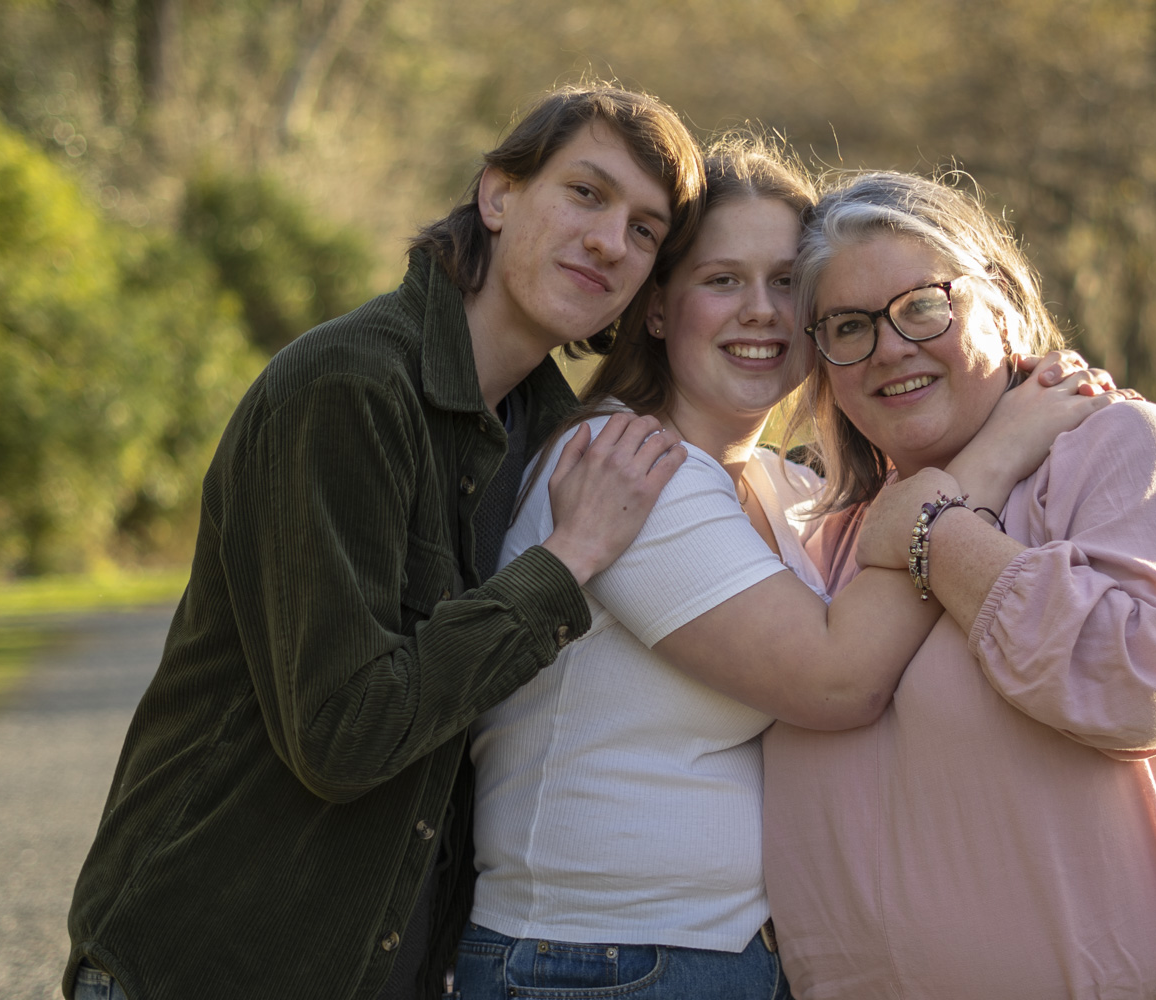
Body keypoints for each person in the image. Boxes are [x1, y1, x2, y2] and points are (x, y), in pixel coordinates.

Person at [64, 85, 704, 1000]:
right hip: (206, 963)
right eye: (587, 194)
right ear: (497, 195)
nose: (612, 240)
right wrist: (565, 562)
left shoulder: (557, 441)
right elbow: (343, 734)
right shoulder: (349, 388)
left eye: (646, 230)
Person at [453, 138, 1125, 1000]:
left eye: (787, 286)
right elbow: (837, 680)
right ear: (657, 309)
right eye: (723, 280)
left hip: (717, 956)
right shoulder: (625, 464)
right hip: (595, 960)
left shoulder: (789, 488)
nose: (762, 312)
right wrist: (992, 460)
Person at [761, 170, 1156, 999]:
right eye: (848, 326)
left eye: (923, 305)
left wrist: (938, 536)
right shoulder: (838, 537)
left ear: (1006, 305)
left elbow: (1135, 680)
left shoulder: (1121, 448)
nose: (891, 348)